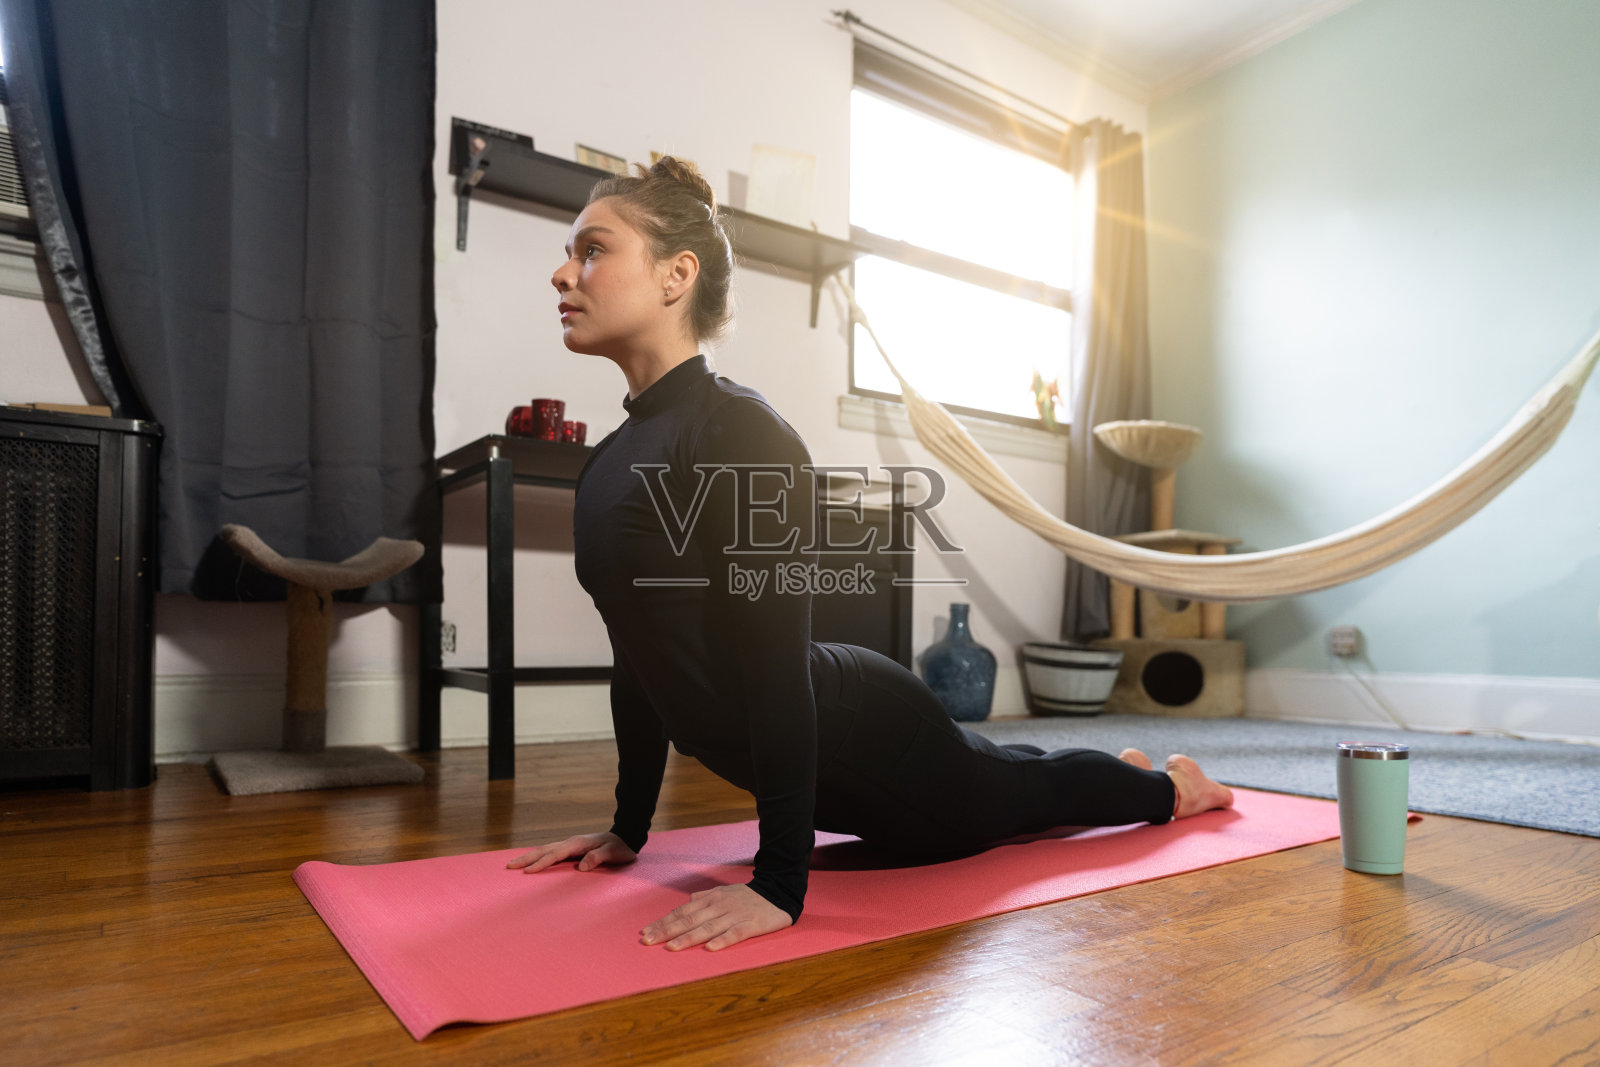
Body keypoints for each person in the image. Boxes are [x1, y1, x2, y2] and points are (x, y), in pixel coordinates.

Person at [507, 157, 1235, 953]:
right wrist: (628, 828)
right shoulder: (608, 463)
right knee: (1006, 766)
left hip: (872, 736)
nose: (562, 273)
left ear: (676, 275)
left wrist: (779, 885)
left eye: (592, 250)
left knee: (1024, 793)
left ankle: (1174, 789)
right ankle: (1123, 768)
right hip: (829, 759)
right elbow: (637, 658)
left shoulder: (739, 432)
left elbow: (775, 670)